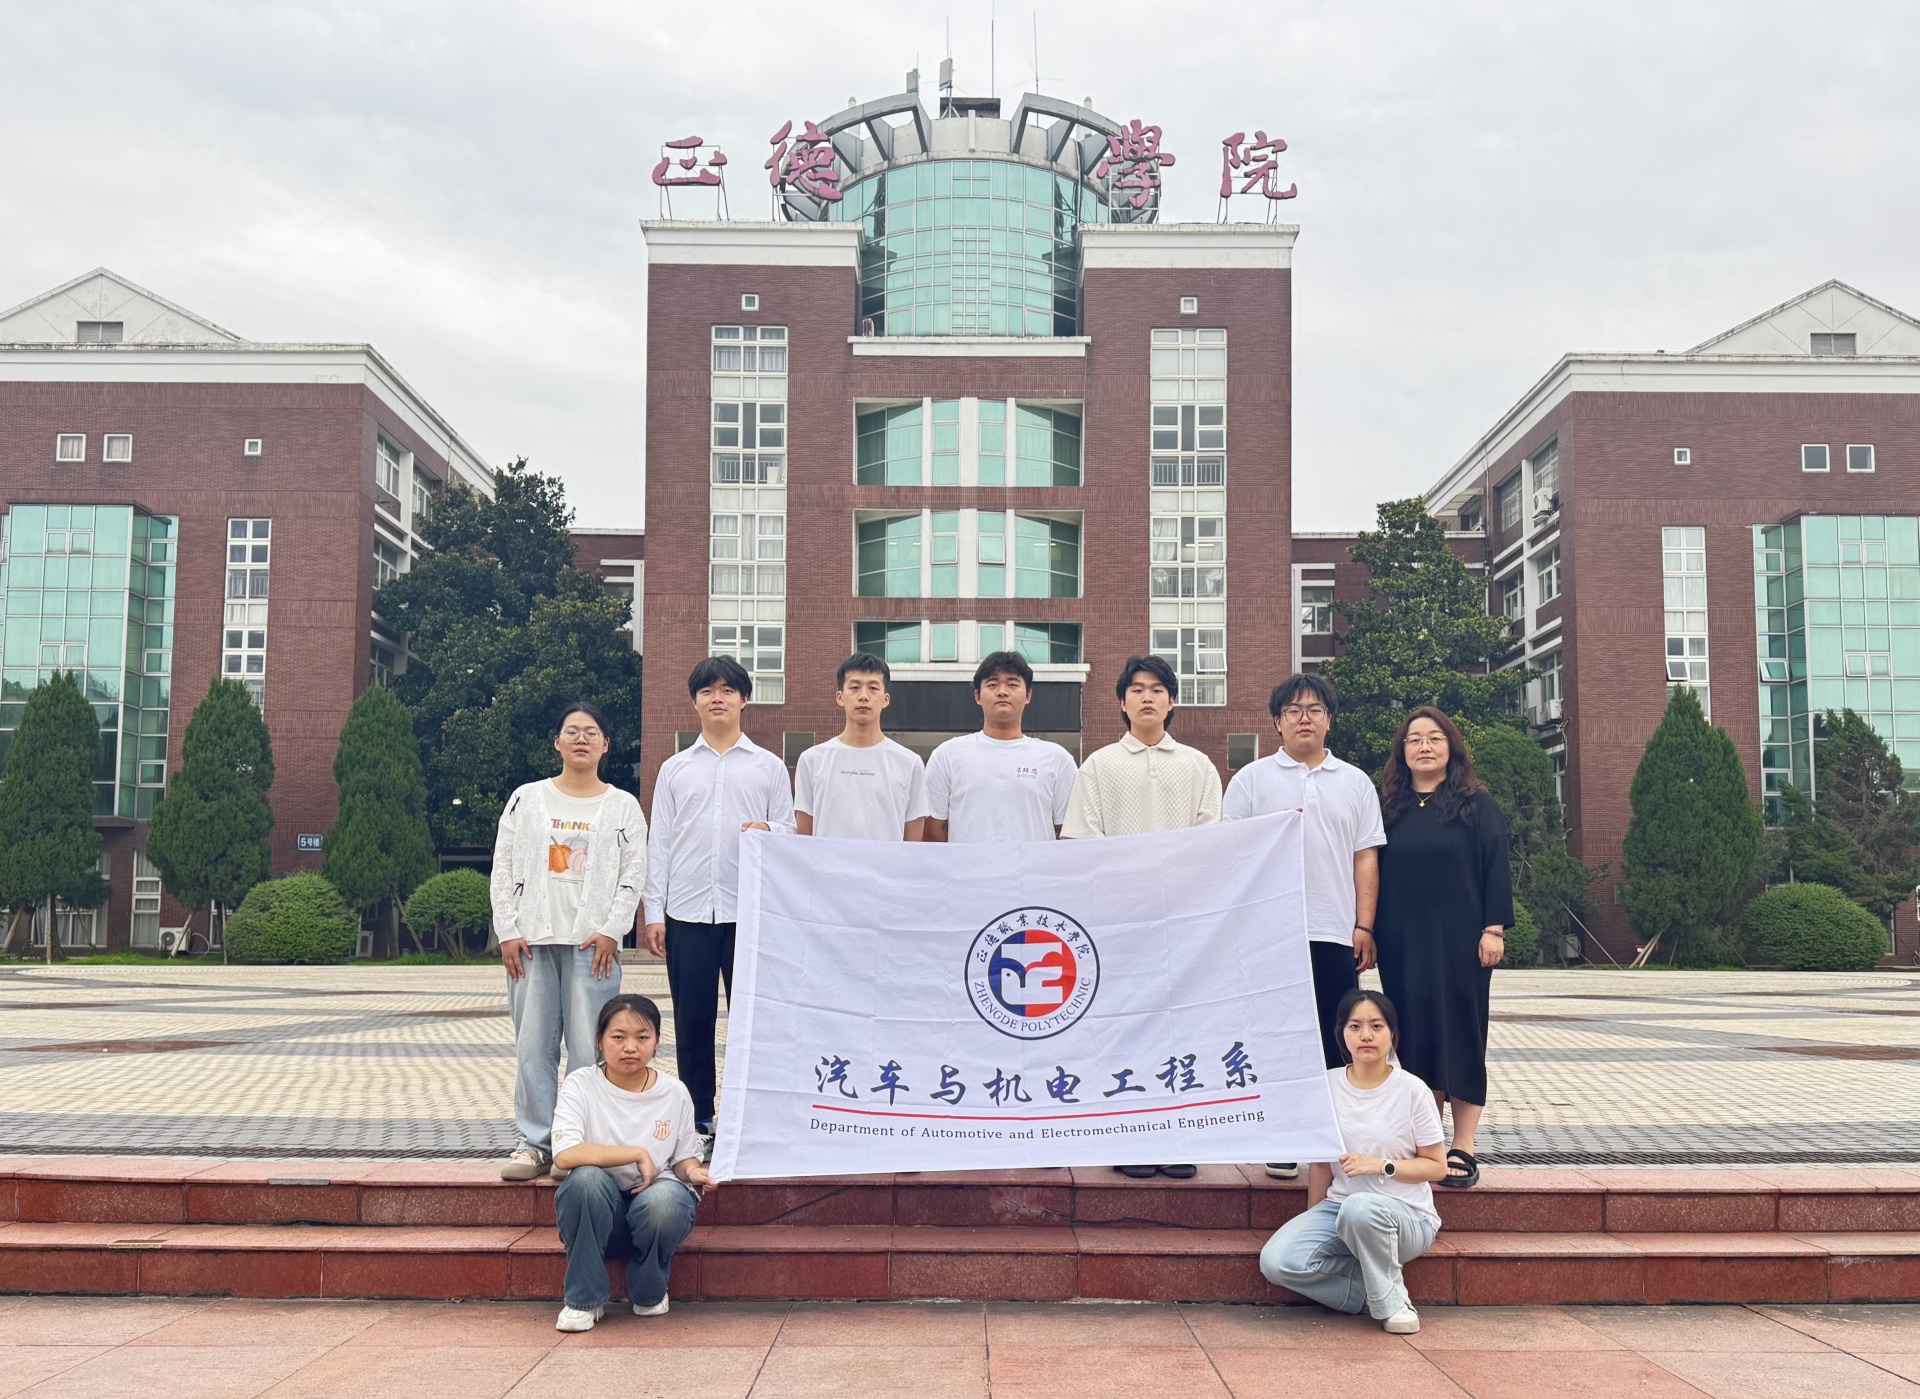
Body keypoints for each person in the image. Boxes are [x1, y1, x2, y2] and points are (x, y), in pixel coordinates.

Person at [1065, 654, 1222, 1181]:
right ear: (1122, 701)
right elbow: (1083, 843)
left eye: (1157, 689)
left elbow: (1211, 844)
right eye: (1137, 689)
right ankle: (1128, 1135)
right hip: (1120, 922)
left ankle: (1179, 1137)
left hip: (1182, 921)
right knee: (1126, 1027)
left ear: (1172, 701)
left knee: (1181, 1027)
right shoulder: (1099, 765)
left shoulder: (1197, 766)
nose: (1147, 697)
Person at [1222, 673, 1385, 1180]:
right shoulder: (1251, 780)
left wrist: (1364, 925)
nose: (1304, 719)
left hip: (1333, 928)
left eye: (1315, 710)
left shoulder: (1354, 782)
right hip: (1269, 932)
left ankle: (1334, 1137)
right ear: (1277, 721)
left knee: (1336, 1034)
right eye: (1293, 711)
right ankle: (1283, 1136)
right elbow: (1232, 854)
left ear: (1329, 719)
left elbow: (1365, 857)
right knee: (1275, 1034)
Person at [491, 702, 648, 1182]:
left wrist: (613, 928)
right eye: (572, 731)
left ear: (606, 745)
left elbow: (633, 873)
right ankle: (535, 1144)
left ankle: (578, 1144)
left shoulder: (622, 805)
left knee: (589, 1048)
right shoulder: (526, 798)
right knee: (533, 1047)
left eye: (591, 732)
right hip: (531, 943)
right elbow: (503, 866)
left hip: (593, 946)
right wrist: (508, 930)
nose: (582, 739)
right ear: (557, 742)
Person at [643, 657, 795, 1137]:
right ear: (694, 701)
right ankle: (699, 1119)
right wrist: (654, 911)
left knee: (753, 1020)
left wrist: (768, 829)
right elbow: (660, 843)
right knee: (693, 1021)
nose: (717, 698)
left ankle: (754, 1115)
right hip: (686, 913)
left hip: (749, 913)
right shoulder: (675, 769)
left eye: (728, 690)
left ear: (745, 699)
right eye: (707, 691)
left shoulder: (768, 767)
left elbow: (790, 832)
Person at [1373, 706, 1514, 1190]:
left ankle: (1464, 1145)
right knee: (1415, 1035)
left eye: (1434, 737)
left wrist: (1494, 928)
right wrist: (1366, 929)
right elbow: (1369, 870)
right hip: (1401, 940)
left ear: (1451, 746)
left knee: (1464, 1033)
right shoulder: (1388, 808)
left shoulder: (1476, 804)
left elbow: (1496, 865)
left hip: (1462, 940)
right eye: (1414, 739)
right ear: (1402, 752)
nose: (1424, 746)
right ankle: (1429, 1142)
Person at [1258, 988, 1447, 1335]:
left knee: (1360, 1207)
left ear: (1392, 1034)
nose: (1366, 1035)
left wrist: (1382, 1165)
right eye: (1355, 1026)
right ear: (1342, 1034)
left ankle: (1395, 1304)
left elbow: (1437, 1166)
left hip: (1406, 1216)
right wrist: (1312, 1219)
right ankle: (1376, 1290)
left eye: (1376, 1026)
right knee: (1277, 1262)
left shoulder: (1412, 1090)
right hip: (1339, 1209)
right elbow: (1320, 1164)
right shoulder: (1327, 1086)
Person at [551, 993, 712, 1332]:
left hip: (652, 1202)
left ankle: (649, 1290)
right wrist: (637, 1153)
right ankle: (583, 1300)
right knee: (584, 1180)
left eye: (642, 1037)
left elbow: (683, 1158)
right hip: (600, 1206)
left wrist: (696, 1172)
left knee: (667, 1200)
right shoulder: (580, 1084)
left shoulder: (675, 1092)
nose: (630, 1047)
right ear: (599, 1041)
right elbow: (565, 1155)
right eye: (618, 1037)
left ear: (657, 1042)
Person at [923, 650, 1077, 844]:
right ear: (977, 696)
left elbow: (1068, 833)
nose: (1002, 691)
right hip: (968, 865)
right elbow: (931, 830)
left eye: (1012, 684)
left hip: (1034, 865)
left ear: (1028, 695)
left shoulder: (1058, 759)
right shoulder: (947, 755)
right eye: (992, 684)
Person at [793, 653, 930, 841]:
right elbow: (803, 841)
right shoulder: (812, 760)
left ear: (886, 699)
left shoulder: (909, 763)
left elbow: (913, 845)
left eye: (873, 688)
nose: (864, 696)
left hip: (886, 862)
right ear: (840, 697)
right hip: (828, 862)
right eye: (855, 688)